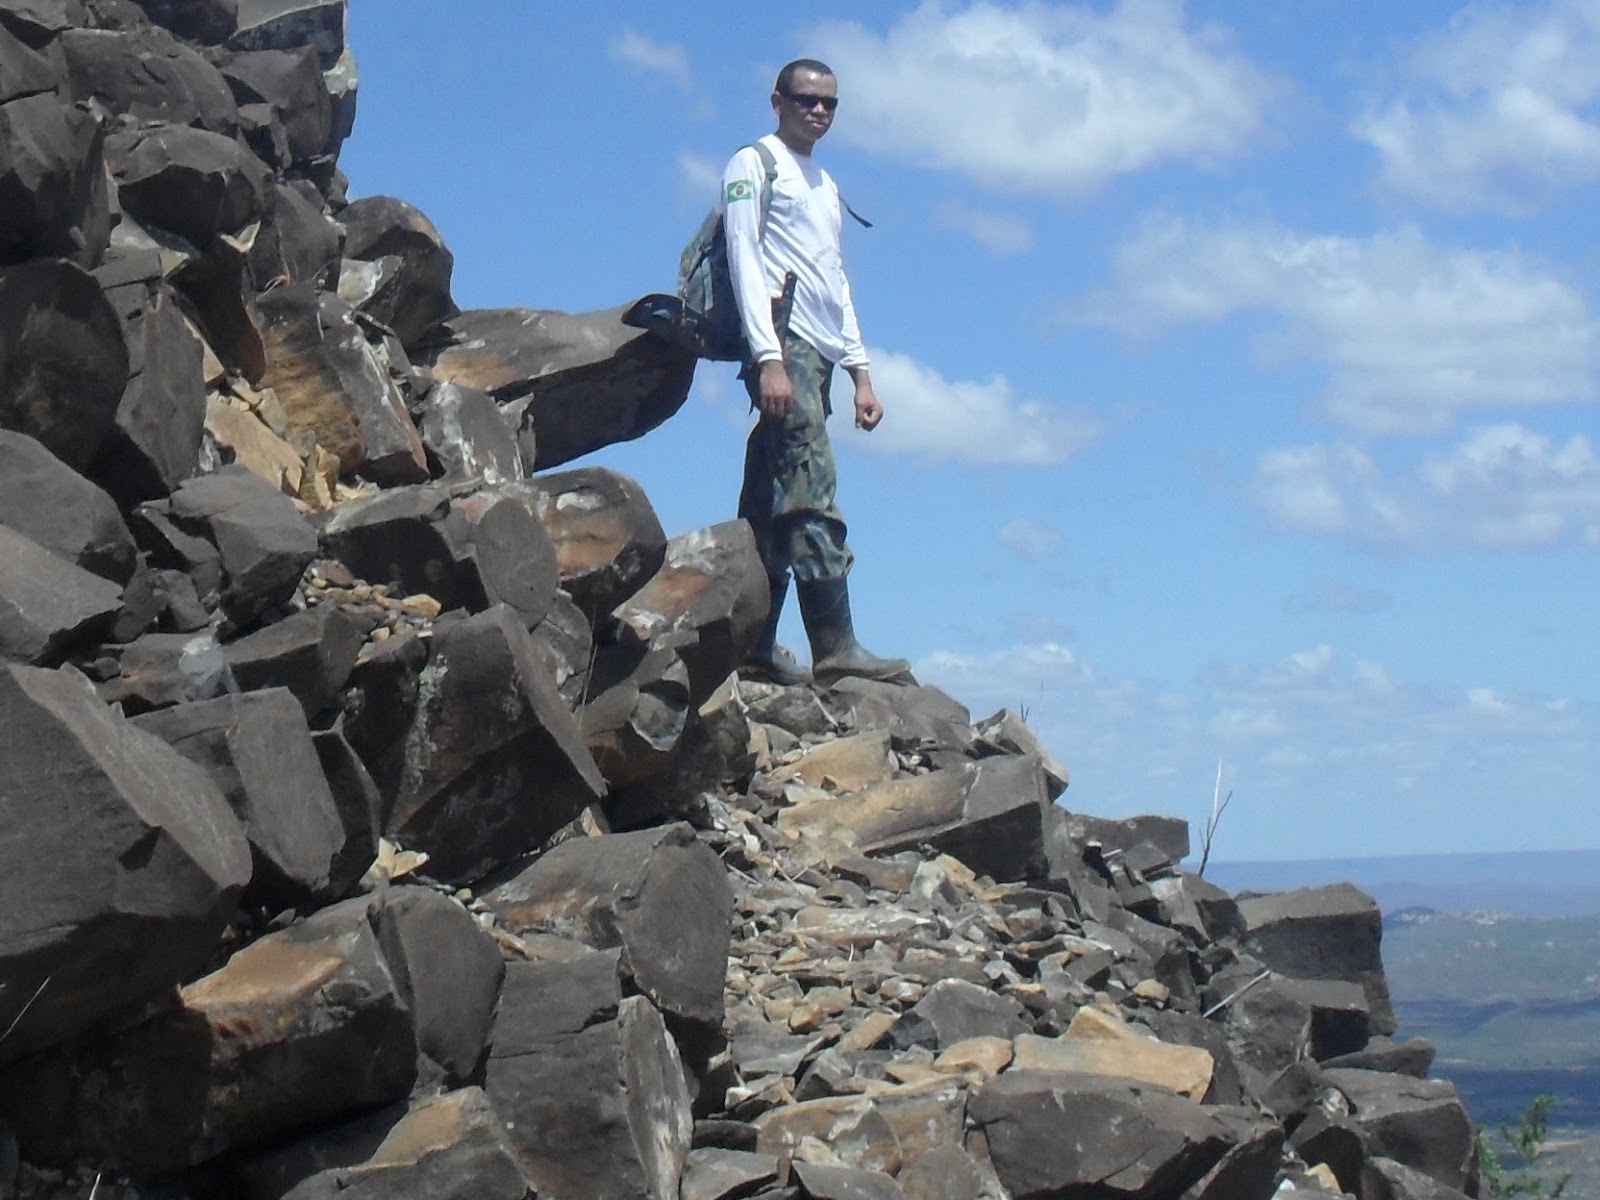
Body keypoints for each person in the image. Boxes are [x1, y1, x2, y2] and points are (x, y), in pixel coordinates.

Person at [723, 58, 909, 686]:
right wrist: (768, 357)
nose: (819, 111)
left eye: (830, 102)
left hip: (821, 355)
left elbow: (834, 279)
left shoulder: (825, 183)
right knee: (810, 485)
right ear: (778, 100)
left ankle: (750, 643)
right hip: (786, 346)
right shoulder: (755, 164)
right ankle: (836, 646)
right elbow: (744, 257)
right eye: (806, 99)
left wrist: (860, 373)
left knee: (767, 498)